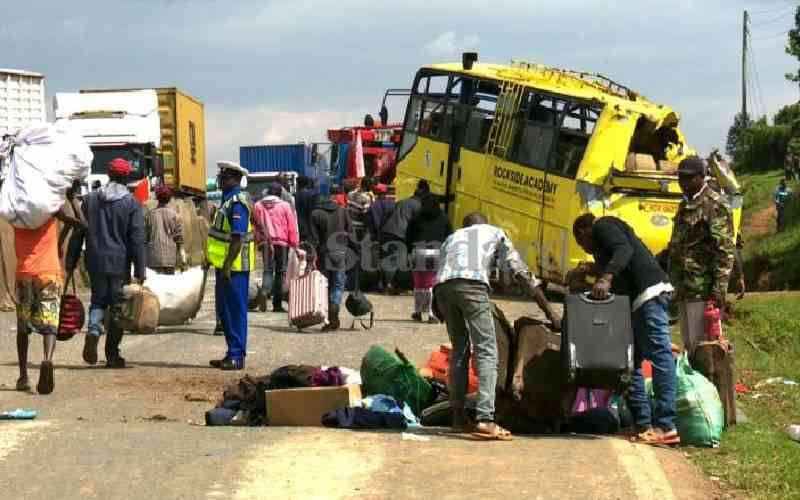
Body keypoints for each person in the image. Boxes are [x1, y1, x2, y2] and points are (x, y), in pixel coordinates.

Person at [434, 212, 561, 440]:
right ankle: (485, 419)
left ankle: (458, 417)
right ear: (484, 223)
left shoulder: (451, 238)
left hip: (443, 289)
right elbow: (521, 274)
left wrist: (439, 305)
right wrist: (551, 313)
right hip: (471, 285)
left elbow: (440, 273)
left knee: (459, 351)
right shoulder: (495, 233)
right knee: (487, 351)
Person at [572, 213, 678, 446]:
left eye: (583, 244)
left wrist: (606, 278)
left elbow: (623, 250)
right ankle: (643, 424)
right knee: (631, 361)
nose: (587, 250)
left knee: (660, 356)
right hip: (637, 302)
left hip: (649, 294)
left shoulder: (603, 226)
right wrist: (591, 275)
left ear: (583, 232)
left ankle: (666, 425)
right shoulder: (603, 246)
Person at [77, 158, 146, 369]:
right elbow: (137, 238)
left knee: (98, 300)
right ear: (126, 177)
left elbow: (79, 232)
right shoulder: (131, 202)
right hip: (119, 263)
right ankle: (112, 355)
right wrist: (140, 269)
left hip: (95, 260)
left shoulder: (90, 200)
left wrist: (71, 262)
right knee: (118, 307)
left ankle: (94, 329)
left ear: (108, 174)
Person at [669, 157, 735, 354]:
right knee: (690, 345)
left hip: (703, 288)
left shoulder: (714, 205)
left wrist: (719, 290)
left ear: (701, 177)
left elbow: (724, 251)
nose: (683, 183)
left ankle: (711, 384)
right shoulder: (685, 204)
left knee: (705, 348)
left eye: (688, 178)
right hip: (684, 285)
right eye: (680, 178)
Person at [13, 204, 77, 393]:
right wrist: (60, 240)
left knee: (23, 327)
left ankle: (23, 376)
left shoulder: (17, 214)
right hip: (49, 273)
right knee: (50, 324)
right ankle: (47, 360)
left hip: (25, 274)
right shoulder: (50, 210)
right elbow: (76, 221)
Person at [207, 161, 256, 370]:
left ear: (235, 179)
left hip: (234, 267)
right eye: (221, 177)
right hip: (225, 266)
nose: (221, 181)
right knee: (225, 311)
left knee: (235, 311)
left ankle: (236, 355)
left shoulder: (237, 202)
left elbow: (237, 237)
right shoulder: (227, 201)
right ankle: (231, 353)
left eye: (225, 178)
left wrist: (227, 266)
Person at [310, 190, 354, 331]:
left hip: (324, 253)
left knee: (326, 285)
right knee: (338, 284)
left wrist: (312, 256)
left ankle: (330, 319)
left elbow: (314, 239)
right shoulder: (342, 210)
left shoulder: (315, 214)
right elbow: (351, 232)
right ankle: (335, 306)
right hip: (340, 251)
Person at [253, 182, 299, 312]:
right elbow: (291, 226)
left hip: (266, 243)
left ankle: (264, 292)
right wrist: (294, 243)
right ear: (279, 193)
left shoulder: (258, 206)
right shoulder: (285, 206)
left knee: (267, 270)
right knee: (280, 273)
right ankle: (277, 304)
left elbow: (255, 226)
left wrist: (259, 241)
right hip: (282, 244)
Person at [379, 180, 430, 293]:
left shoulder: (402, 201)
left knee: (389, 259)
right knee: (397, 262)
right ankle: (390, 286)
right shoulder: (418, 205)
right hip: (400, 235)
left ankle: (385, 284)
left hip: (387, 232)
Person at [408, 194, 452, 323]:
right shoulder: (444, 217)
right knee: (431, 284)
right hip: (436, 252)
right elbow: (449, 235)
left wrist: (409, 251)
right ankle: (431, 314)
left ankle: (418, 311)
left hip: (418, 251)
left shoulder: (416, 217)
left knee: (418, 284)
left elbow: (408, 235)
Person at [145, 186, 184, 275]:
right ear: (169, 199)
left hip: (153, 257)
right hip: (170, 258)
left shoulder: (150, 215)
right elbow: (179, 237)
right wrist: (181, 258)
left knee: (154, 287)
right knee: (169, 286)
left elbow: (144, 236)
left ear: (157, 198)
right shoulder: (174, 215)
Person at [367, 183, 395, 291]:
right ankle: (389, 283)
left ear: (376, 193)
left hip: (377, 237)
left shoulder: (373, 206)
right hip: (390, 236)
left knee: (377, 262)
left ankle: (379, 284)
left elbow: (370, 223)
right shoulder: (393, 204)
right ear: (386, 193)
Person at [294, 176, 317, 242]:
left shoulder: (294, 196)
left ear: (298, 184)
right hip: (310, 227)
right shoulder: (311, 196)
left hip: (298, 226)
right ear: (307, 184)